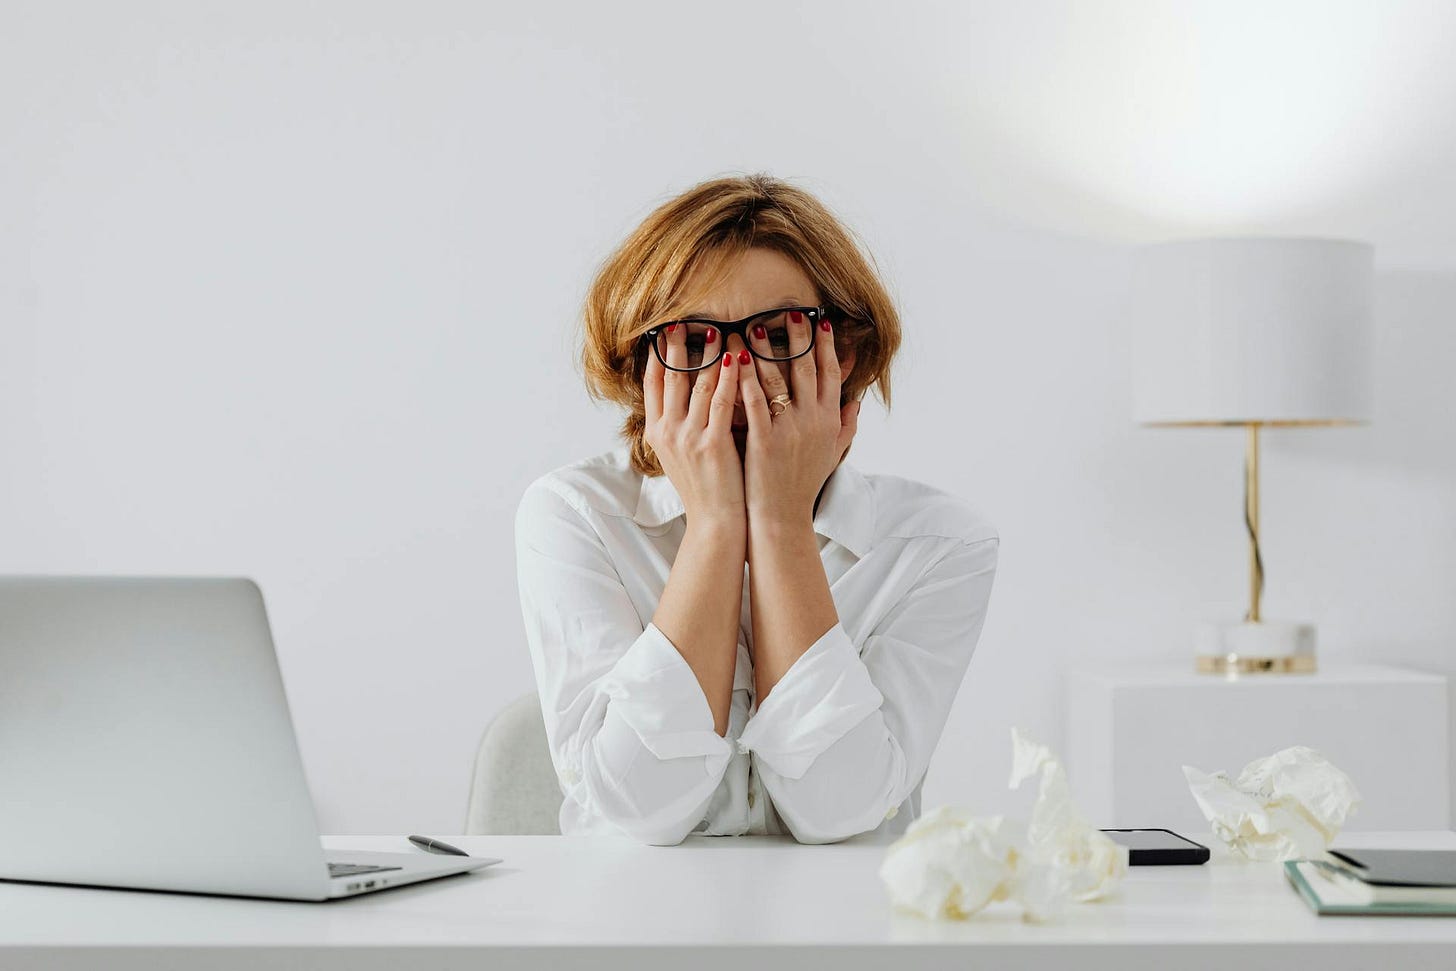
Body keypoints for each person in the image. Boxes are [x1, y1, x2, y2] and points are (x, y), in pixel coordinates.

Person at [515, 173, 998, 845]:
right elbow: (639, 808)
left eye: (778, 334)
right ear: (642, 362)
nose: (739, 376)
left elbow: (838, 809)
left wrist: (778, 523)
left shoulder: (939, 545)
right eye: (695, 340)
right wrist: (715, 528)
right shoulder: (575, 514)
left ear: (844, 354)